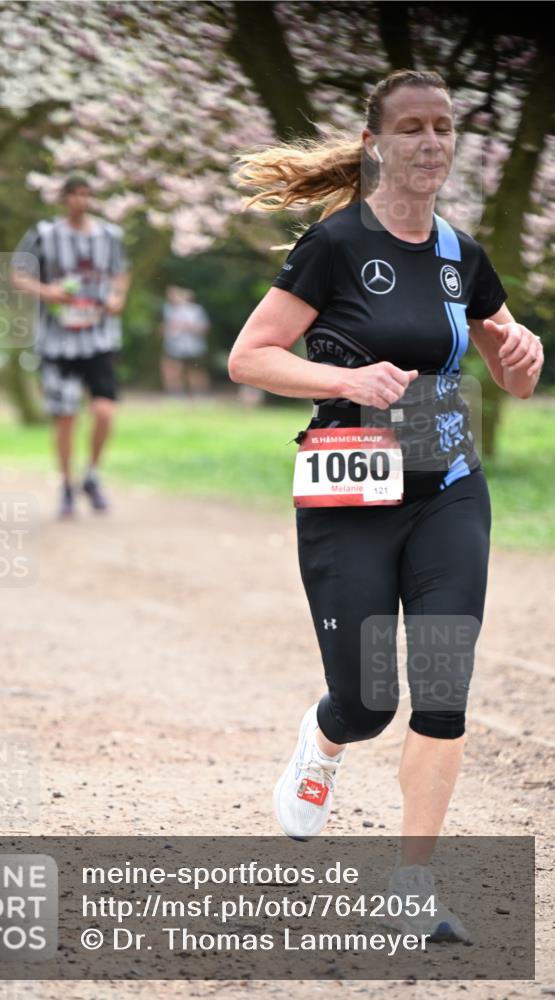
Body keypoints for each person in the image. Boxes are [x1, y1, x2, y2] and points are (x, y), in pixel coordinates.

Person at [228, 69, 543, 942]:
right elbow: (249, 357)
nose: (430, 142)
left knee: (442, 691)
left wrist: (521, 355)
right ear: (375, 145)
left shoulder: (461, 256)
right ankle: (325, 740)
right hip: (348, 490)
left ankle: (411, 886)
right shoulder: (332, 245)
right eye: (410, 127)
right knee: (367, 701)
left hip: (445, 484)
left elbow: (506, 361)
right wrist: (343, 377)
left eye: (442, 127)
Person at [11, 174, 131, 518]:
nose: (81, 200)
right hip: (56, 343)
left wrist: (118, 296)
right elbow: (18, 274)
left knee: (104, 411)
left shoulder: (111, 235)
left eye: (87, 194)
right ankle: (65, 484)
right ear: (63, 199)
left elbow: (122, 272)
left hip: (99, 338)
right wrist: (47, 292)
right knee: (65, 417)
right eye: (75, 194)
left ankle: (91, 474)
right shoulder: (44, 234)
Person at [159, 285, 210, 396]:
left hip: (193, 346)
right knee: (173, 370)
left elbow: (204, 328)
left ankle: (200, 394)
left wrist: (186, 327)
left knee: (195, 371)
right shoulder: (169, 310)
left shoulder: (196, 310)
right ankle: (175, 394)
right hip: (174, 345)